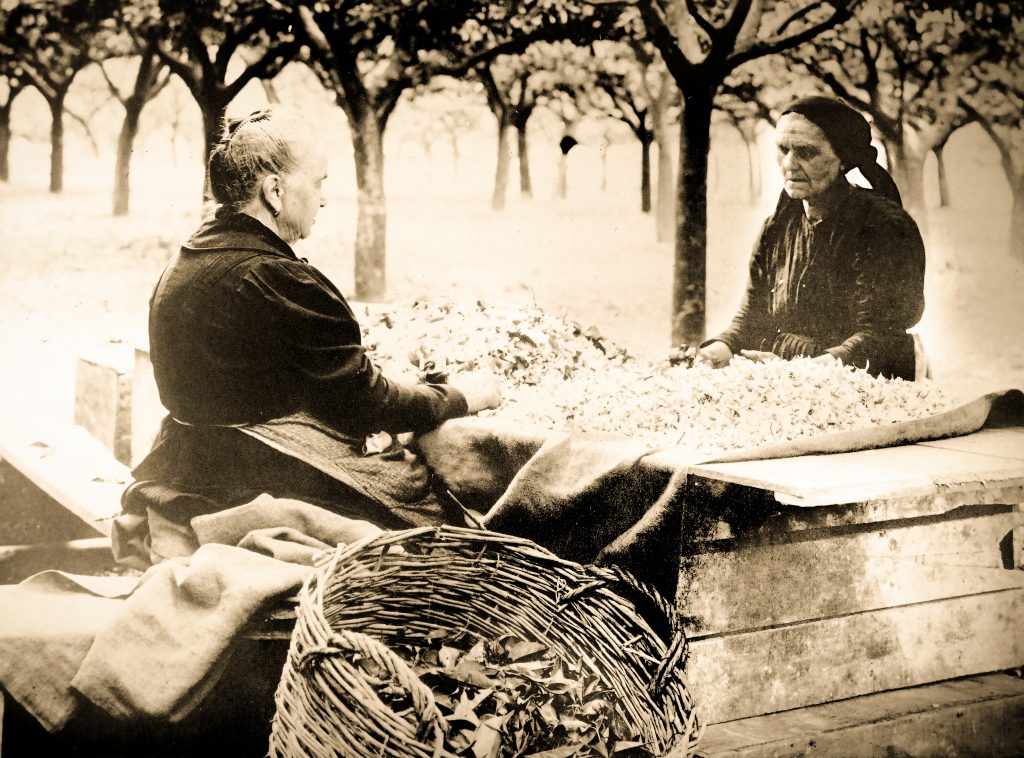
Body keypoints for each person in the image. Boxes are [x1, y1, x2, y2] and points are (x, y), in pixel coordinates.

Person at [117, 105, 501, 565]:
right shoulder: (277, 278)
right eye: (318, 183)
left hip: (187, 465)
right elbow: (369, 403)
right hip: (257, 477)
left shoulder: (186, 260)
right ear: (275, 191)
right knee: (452, 525)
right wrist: (459, 397)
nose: (322, 199)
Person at [697, 95, 926, 380]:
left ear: (842, 158)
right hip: (787, 376)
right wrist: (722, 346)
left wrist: (798, 372)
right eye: (783, 149)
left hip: (865, 380)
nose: (789, 164)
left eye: (806, 152)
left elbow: (879, 335)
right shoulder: (776, 228)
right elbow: (753, 316)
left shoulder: (883, 227)